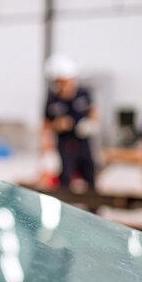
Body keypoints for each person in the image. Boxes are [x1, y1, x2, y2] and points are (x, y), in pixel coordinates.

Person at [43, 54, 99, 191]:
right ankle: (66, 207)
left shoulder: (83, 94)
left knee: (89, 173)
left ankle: (92, 208)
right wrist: (59, 125)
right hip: (65, 143)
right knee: (66, 176)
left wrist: (91, 124)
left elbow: (94, 112)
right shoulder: (53, 99)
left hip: (83, 142)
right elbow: (46, 124)